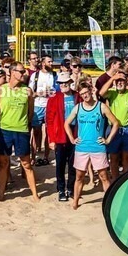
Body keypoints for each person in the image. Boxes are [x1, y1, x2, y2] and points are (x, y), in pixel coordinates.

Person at [64, 82, 119, 210]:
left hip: (97, 147)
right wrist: (72, 138)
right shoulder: (78, 108)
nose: (84, 96)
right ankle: (75, 201)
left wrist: (108, 139)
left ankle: (110, 202)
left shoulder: (102, 107)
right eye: (82, 94)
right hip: (82, 147)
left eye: (86, 93)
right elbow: (66, 123)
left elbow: (116, 123)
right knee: (79, 176)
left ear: (90, 91)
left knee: (103, 176)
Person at [0, 62, 40, 202]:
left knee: (26, 163)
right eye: (21, 71)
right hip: (5, 129)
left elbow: (30, 112)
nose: (24, 74)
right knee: (3, 163)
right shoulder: (1, 89)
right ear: (13, 72)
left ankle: (35, 195)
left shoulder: (27, 90)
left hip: (21, 130)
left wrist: (23, 122)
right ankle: (1, 194)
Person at [46, 72, 79, 201]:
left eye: (66, 82)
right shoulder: (54, 98)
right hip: (60, 133)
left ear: (70, 83)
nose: (63, 85)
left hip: (75, 132)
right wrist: (51, 139)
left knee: (73, 163)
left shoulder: (77, 96)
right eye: (61, 83)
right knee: (60, 164)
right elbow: (49, 120)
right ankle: (60, 189)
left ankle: (70, 188)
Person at [29, 54, 56, 166]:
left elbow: (58, 91)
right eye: (49, 61)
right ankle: (33, 156)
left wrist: (51, 94)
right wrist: (40, 93)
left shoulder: (55, 75)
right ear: (43, 63)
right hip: (38, 106)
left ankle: (46, 156)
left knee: (49, 132)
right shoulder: (35, 75)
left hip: (50, 106)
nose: (51, 63)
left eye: (51, 61)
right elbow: (30, 93)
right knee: (36, 132)